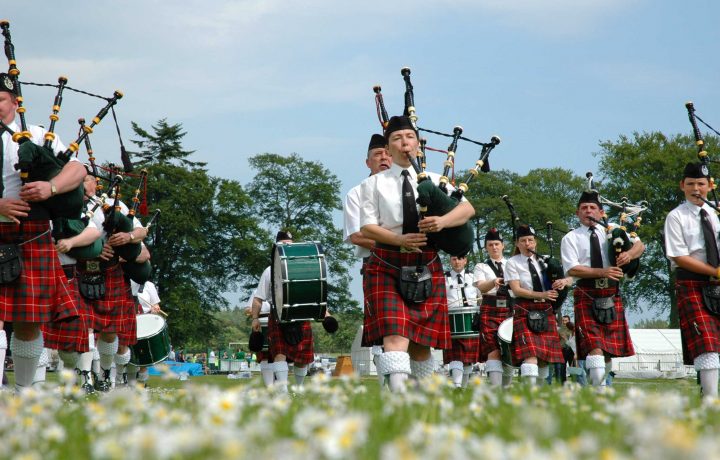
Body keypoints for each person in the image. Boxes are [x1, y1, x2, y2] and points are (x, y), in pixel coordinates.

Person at [359, 115, 475, 393]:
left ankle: (421, 399)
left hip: (427, 263)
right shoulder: (373, 185)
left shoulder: (436, 180)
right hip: (388, 262)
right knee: (396, 335)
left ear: (418, 146)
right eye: (397, 139)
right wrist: (398, 239)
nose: (404, 143)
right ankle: (398, 397)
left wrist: (442, 222)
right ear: (388, 148)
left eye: (409, 137)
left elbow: (467, 210)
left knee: (422, 345)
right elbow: (367, 227)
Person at [0, 74, 86, 391]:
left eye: (0, 101)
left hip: (32, 233)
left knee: (27, 323)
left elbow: (77, 170)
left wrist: (51, 187)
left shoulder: (37, 135)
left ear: (14, 102)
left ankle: (25, 392)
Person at [560, 190, 642, 387]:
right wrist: (603, 271)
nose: (588, 211)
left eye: (592, 208)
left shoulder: (613, 229)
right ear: (577, 213)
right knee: (594, 346)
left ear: (601, 211)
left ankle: (602, 388)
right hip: (587, 293)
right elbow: (572, 268)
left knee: (606, 349)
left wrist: (629, 254)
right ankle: (598, 390)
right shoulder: (570, 238)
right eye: (584, 208)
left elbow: (640, 245)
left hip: (611, 294)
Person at [42, 173, 105, 393]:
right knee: (36, 326)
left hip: (72, 272)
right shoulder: (46, 200)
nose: (89, 183)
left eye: (88, 178)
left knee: (79, 329)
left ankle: (83, 375)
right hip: (42, 268)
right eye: (85, 179)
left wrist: (71, 242)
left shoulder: (90, 207)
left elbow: (94, 231)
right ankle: (38, 382)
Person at [664, 162, 720, 401]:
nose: (696, 189)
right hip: (693, 284)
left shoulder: (716, 214)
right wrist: (714, 272)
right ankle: (710, 399)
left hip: (717, 283)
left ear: (710, 185)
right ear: (682, 186)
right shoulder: (676, 217)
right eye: (691, 184)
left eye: (701, 184)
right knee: (707, 344)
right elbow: (678, 256)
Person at [343, 133, 391, 389]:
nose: (384, 158)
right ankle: (387, 388)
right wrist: (397, 243)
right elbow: (356, 236)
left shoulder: (412, 188)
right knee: (382, 331)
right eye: (377, 155)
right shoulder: (357, 193)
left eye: (387, 154)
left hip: (415, 265)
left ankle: (416, 388)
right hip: (378, 265)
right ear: (367, 162)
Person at [505, 224, 570, 385]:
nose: (527, 244)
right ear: (517, 244)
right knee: (530, 355)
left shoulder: (547, 261)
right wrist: (541, 294)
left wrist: (563, 282)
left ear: (535, 243)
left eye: (530, 240)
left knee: (543, 358)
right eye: (523, 241)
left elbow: (570, 277)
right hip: (524, 309)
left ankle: (539, 393)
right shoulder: (513, 262)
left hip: (546, 310)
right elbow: (516, 289)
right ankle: (529, 394)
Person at [251, 231, 315, 392]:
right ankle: (283, 392)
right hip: (278, 315)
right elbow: (258, 298)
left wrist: (325, 314)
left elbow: (313, 292)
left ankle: (299, 390)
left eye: (290, 244)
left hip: (300, 313)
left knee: (303, 358)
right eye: (283, 244)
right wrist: (255, 318)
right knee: (279, 353)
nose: (287, 246)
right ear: (277, 247)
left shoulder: (302, 268)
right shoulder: (269, 271)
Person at [473, 228, 514, 387]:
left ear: (503, 246)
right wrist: (494, 282)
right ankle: (496, 391)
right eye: (490, 245)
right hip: (490, 308)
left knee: (509, 350)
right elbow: (482, 287)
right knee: (493, 350)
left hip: (510, 308)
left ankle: (506, 389)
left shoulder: (511, 264)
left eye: (497, 244)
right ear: (486, 247)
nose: (494, 247)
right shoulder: (481, 266)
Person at [443, 254, 479, 388]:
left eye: (460, 258)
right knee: (455, 356)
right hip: (451, 319)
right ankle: (456, 385)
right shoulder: (444, 278)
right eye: (454, 258)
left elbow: (480, 296)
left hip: (471, 320)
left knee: (468, 359)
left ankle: (462, 388)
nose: (457, 261)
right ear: (450, 260)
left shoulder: (474, 277)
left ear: (465, 260)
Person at [126, 279, 161, 386]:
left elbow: (156, 305)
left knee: (142, 356)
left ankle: (141, 383)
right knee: (127, 354)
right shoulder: (123, 280)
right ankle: (125, 382)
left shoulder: (148, 285)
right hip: (127, 320)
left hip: (144, 321)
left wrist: (155, 309)